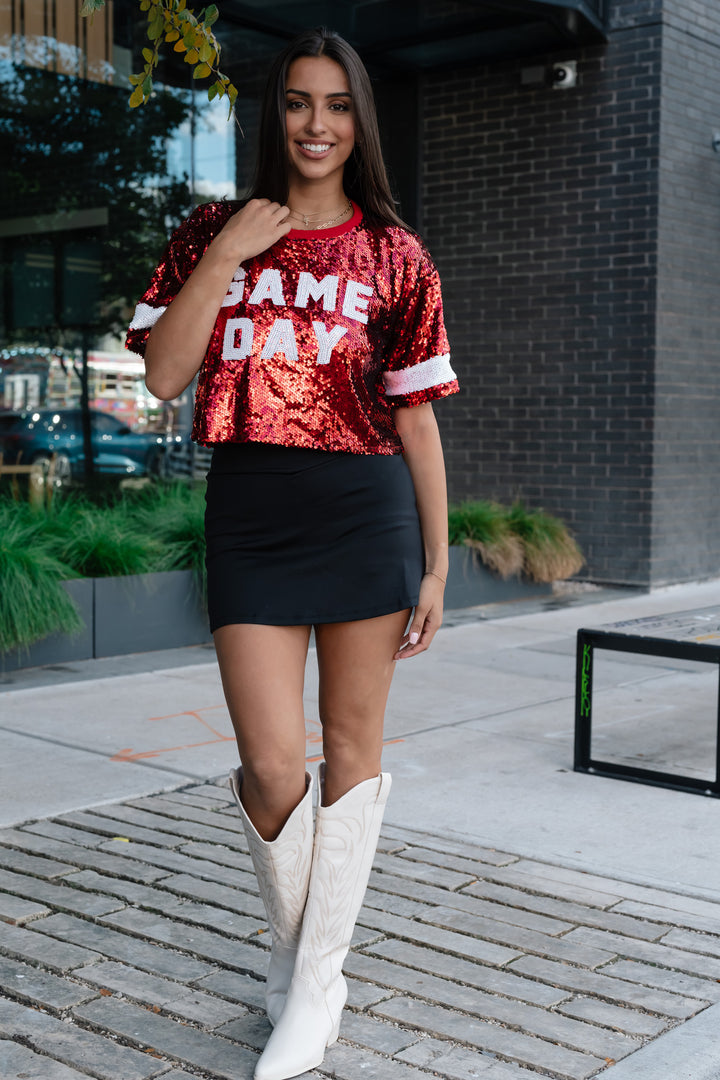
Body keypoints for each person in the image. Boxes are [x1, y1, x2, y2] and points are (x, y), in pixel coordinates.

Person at [126, 26, 458, 1080]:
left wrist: (439, 562)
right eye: (299, 103)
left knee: (351, 758)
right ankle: (299, 953)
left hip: (366, 510)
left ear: (361, 121)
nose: (318, 125)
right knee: (273, 765)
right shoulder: (210, 231)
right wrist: (227, 255)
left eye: (339, 106)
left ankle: (315, 984)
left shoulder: (396, 254)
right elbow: (164, 379)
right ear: (275, 117)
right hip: (253, 507)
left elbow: (415, 421)